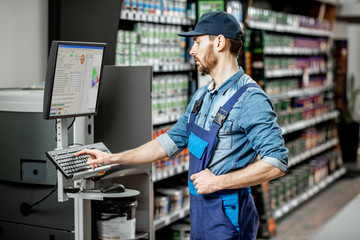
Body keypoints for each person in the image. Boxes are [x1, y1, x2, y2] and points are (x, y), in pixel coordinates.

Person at [75, 11, 288, 240]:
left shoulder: (251, 99)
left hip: (229, 216)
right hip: (200, 211)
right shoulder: (202, 97)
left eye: (197, 42)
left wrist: (218, 182)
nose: (192, 50)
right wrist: (111, 158)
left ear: (219, 42)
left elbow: (276, 162)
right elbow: (168, 142)